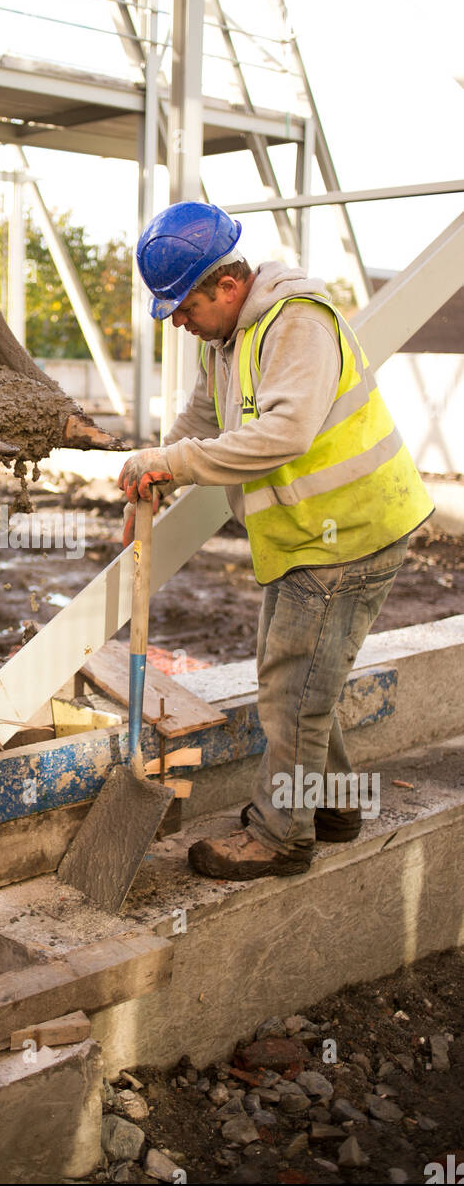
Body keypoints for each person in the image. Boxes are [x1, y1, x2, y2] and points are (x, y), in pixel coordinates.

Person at [119, 201, 433, 881]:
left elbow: (284, 435)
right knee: (303, 675)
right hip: (308, 535)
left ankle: (280, 835)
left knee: (293, 688)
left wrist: (172, 464)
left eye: (182, 305)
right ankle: (335, 804)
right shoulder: (225, 340)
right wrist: (158, 468)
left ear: (227, 287)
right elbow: (202, 417)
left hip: (349, 531)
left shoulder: (297, 324)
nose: (175, 319)